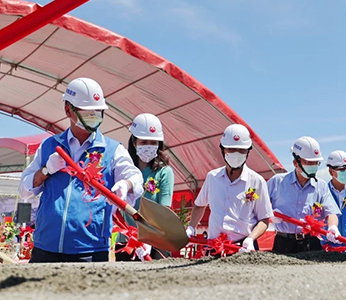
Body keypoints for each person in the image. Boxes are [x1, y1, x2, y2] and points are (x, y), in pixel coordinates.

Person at [18, 77, 144, 263]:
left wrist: (126, 185)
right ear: (68, 110)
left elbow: (134, 176)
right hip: (45, 249)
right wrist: (46, 171)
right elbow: (24, 190)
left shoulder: (112, 149)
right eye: (88, 112)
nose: (94, 116)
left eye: (98, 111)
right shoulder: (49, 146)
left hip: (90, 252)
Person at [185, 124, 273, 253]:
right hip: (214, 246)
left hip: (242, 248)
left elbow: (264, 219)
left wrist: (250, 239)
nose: (236, 154)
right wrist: (191, 227)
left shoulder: (257, 181)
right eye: (231, 149)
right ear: (222, 150)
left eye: (241, 150)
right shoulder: (212, 177)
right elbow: (199, 205)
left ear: (248, 151)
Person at [115, 113, 174, 261]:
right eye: (144, 141)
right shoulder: (125, 169)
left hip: (156, 242)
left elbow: (164, 210)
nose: (149, 146)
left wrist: (148, 239)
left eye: (153, 142)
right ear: (134, 142)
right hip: (127, 239)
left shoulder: (164, 172)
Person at [268, 136, 341, 254]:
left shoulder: (320, 186)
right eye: (308, 162)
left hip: (310, 242)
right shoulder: (277, 181)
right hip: (284, 242)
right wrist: (269, 215)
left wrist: (333, 227)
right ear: (295, 163)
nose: (313, 166)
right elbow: (258, 207)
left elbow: (331, 212)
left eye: (316, 163)